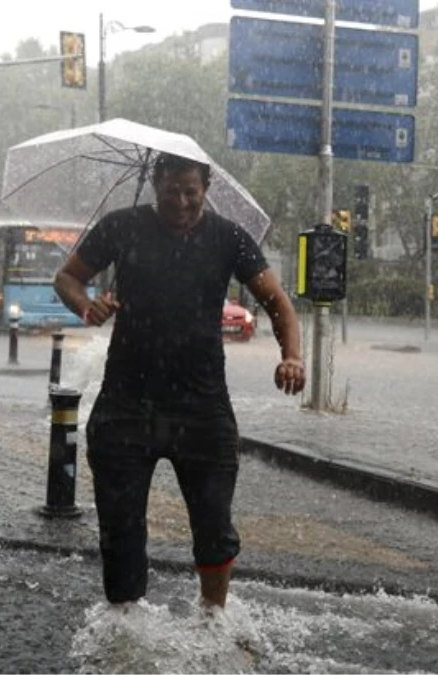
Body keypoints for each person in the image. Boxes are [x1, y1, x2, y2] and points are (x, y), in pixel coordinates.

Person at [54, 152, 305, 613]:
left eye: (192, 192)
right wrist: (86, 306)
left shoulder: (229, 238)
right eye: (173, 191)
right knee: (121, 525)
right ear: (156, 185)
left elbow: (277, 302)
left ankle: (214, 619)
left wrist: (291, 356)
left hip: (202, 404)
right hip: (126, 403)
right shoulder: (120, 226)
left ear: (205, 189)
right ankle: (126, 625)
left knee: (214, 524)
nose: (183, 202)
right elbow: (67, 277)